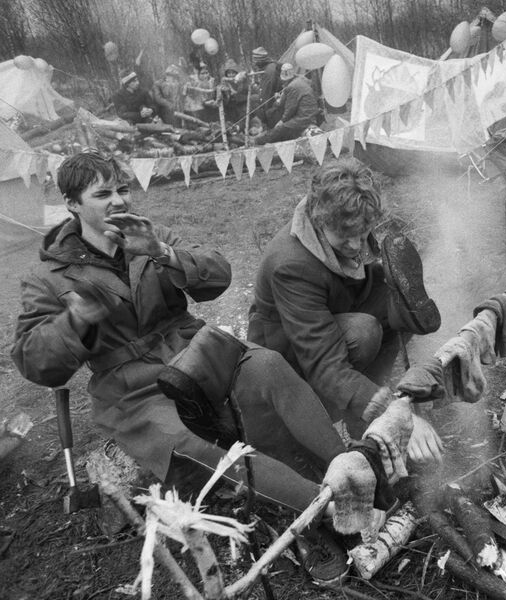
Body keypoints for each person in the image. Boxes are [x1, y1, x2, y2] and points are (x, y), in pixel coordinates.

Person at [9, 150, 394, 584]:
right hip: (131, 387)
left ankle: (352, 472)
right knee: (194, 445)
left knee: (268, 366)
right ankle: (320, 514)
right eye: (102, 194)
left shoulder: (148, 236)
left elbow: (217, 274)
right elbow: (34, 362)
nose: (118, 200)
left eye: (123, 189)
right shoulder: (47, 278)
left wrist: (161, 251)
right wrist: (74, 319)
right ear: (72, 204)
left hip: (196, 349)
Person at [248, 157, 444, 463]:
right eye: (345, 238)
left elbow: (350, 268)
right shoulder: (290, 265)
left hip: (331, 308)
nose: (356, 245)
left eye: (363, 233)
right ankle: (344, 410)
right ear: (321, 220)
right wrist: (395, 412)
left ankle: (363, 406)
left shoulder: (345, 218)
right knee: (364, 332)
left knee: (397, 303)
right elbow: (324, 363)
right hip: (287, 352)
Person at [251, 63, 321, 145]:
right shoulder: (302, 80)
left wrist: (281, 121)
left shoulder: (291, 87)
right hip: (310, 115)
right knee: (282, 127)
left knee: (280, 129)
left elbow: (290, 109)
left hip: (303, 119)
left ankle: (257, 141)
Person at [252, 46, 282, 128]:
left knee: (254, 100)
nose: (254, 63)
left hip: (275, 103)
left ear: (260, 61)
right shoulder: (270, 66)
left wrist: (266, 114)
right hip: (276, 98)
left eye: (255, 61)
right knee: (254, 98)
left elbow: (266, 95)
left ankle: (268, 125)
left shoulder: (269, 71)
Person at [218, 58, 250, 124]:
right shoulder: (225, 82)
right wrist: (225, 93)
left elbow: (245, 93)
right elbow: (224, 97)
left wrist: (236, 94)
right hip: (230, 106)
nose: (231, 75)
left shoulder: (241, 81)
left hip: (242, 104)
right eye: (229, 73)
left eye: (233, 73)